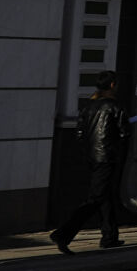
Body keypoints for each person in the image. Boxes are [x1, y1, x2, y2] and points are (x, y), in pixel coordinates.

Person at [53, 71, 128, 253]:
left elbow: (80, 133)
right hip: (107, 158)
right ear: (112, 85)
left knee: (105, 196)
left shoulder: (88, 106)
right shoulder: (115, 107)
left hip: (92, 157)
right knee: (95, 199)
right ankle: (63, 234)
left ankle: (109, 236)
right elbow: (124, 133)